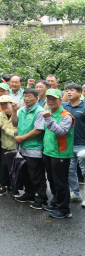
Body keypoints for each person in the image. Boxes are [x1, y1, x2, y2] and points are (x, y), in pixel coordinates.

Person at [41, 89, 76, 218]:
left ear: (61, 100)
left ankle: (64, 209)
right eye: (48, 98)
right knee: (52, 180)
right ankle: (56, 203)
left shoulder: (66, 115)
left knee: (61, 182)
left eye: (54, 98)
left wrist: (48, 119)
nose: (50, 101)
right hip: (49, 152)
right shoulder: (49, 113)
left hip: (60, 154)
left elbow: (61, 131)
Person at [12, 88, 47, 209]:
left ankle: (42, 198)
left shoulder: (39, 111)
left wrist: (23, 138)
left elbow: (38, 130)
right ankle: (29, 194)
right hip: (22, 148)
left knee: (36, 174)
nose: (26, 98)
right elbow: (15, 123)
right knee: (25, 173)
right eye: (25, 96)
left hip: (34, 148)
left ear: (36, 98)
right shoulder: (21, 110)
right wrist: (14, 111)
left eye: (30, 96)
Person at [0, 95, 18, 196]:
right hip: (4, 145)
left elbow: (19, 131)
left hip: (16, 146)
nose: (3, 106)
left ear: (11, 104)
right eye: (1, 104)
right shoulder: (1, 114)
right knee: (3, 166)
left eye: (5, 103)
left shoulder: (18, 114)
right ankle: (3, 186)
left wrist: (7, 129)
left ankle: (15, 188)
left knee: (15, 168)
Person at [62, 83, 84, 205]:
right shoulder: (64, 106)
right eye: (67, 90)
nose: (69, 92)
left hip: (82, 144)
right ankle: (75, 193)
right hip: (68, 144)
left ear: (79, 92)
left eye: (72, 90)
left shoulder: (84, 107)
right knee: (70, 171)